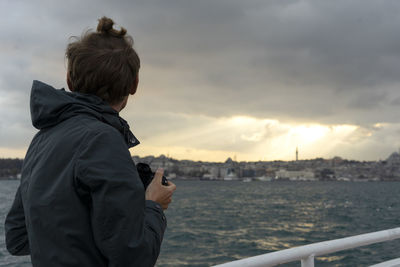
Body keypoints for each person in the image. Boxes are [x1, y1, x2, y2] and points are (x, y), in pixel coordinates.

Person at [4, 17, 176, 267]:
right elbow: (134, 257)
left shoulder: (43, 139)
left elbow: (18, 237)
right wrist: (153, 205)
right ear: (134, 85)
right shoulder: (103, 140)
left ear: (70, 80)